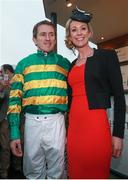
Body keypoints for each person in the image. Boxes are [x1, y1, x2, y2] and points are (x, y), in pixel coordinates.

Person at [65, 8, 126, 179]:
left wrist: (118, 134)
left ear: (90, 32)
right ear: (69, 36)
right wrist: (66, 131)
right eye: (74, 30)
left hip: (96, 128)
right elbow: (69, 103)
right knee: (75, 174)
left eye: (83, 28)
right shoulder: (70, 65)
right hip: (74, 131)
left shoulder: (106, 56)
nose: (79, 33)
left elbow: (120, 97)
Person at [7, 20, 70, 179]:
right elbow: (14, 101)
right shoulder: (23, 64)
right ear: (34, 39)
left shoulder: (65, 64)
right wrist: (14, 133)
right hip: (31, 123)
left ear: (55, 38)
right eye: (43, 34)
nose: (48, 38)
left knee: (58, 172)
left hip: (57, 122)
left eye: (51, 34)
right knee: (33, 173)